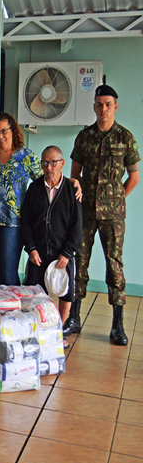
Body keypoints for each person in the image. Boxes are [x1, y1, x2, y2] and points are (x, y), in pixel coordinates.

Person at [64, 84, 141, 346]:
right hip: (85, 212)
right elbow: (74, 176)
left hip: (113, 215)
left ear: (115, 107)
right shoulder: (84, 137)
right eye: (99, 104)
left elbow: (134, 177)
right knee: (79, 264)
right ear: (94, 106)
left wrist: (117, 199)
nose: (103, 108)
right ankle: (74, 317)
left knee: (114, 267)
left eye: (108, 104)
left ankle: (117, 325)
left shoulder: (125, 137)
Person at [21, 146, 82, 347]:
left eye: (53, 162)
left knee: (65, 292)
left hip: (62, 252)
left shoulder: (72, 189)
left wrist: (67, 252)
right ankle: (39, 331)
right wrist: (31, 248)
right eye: (45, 163)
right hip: (39, 251)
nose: (49, 167)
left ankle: (58, 331)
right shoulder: (34, 188)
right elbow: (26, 222)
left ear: (62, 163)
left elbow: (77, 224)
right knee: (36, 292)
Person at [0, 113, 43, 288]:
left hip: (15, 223)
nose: (0, 136)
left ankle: (13, 311)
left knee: (8, 270)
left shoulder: (26, 157)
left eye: (4, 131)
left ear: (13, 131)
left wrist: (70, 182)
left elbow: (44, 183)